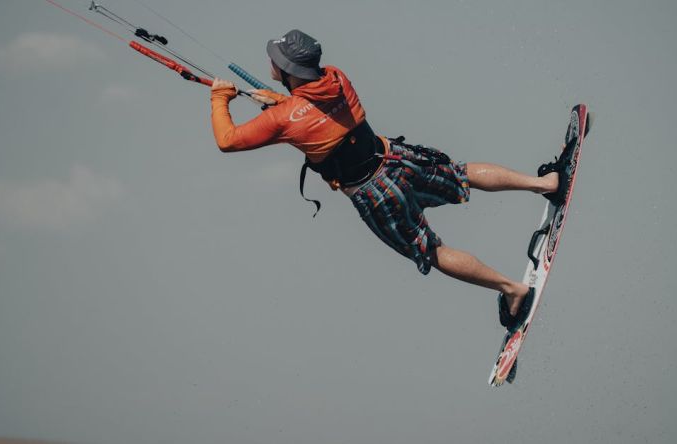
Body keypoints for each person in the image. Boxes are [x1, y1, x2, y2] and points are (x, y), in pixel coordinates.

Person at [209, 30, 566, 329]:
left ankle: (511, 289)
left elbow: (229, 140)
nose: (270, 61)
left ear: (286, 69)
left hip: (374, 192)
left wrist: (220, 99)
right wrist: (277, 100)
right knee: (462, 173)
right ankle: (545, 184)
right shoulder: (335, 77)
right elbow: (309, 107)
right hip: (396, 158)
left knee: (432, 250)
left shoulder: (283, 119)